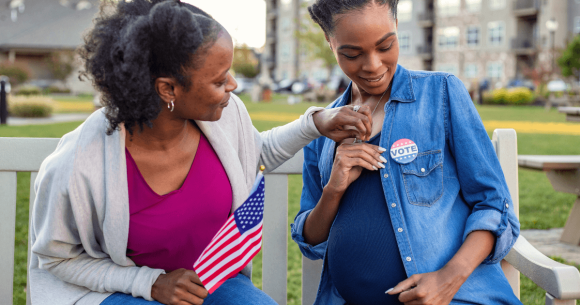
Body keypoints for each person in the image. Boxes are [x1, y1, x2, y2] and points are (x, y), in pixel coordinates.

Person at [28, 1, 376, 304]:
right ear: (168, 88)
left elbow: (253, 154)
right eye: (219, 79)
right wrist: (150, 284)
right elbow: (56, 258)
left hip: (211, 282)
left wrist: (315, 123)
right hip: (117, 289)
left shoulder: (227, 116)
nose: (233, 85)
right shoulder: (79, 163)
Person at [291, 1, 522, 304]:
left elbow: (493, 205)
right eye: (352, 53)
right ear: (330, 43)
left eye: (385, 45)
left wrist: (447, 279)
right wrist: (333, 190)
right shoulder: (323, 128)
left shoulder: (441, 94)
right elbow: (310, 240)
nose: (373, 65)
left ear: (397, 27)